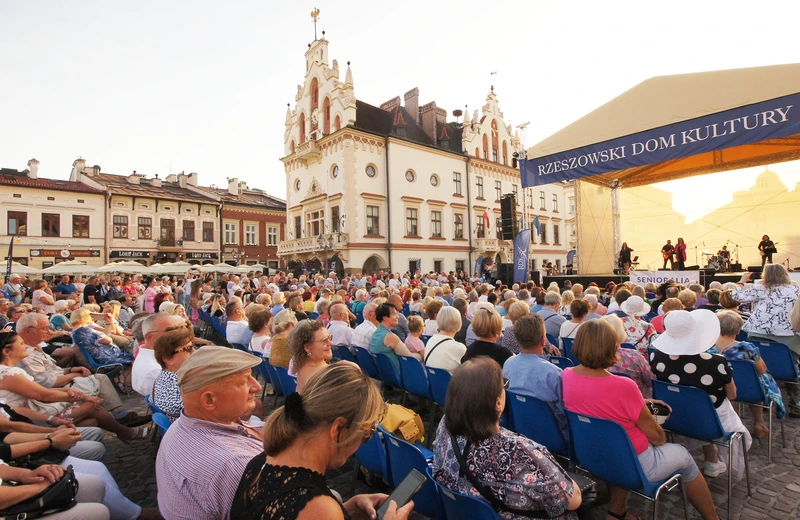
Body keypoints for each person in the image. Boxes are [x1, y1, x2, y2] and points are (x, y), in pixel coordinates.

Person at [563, 320, 720, 520]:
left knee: (620, 442)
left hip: (591, 454)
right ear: (613, 347)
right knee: (683, 455)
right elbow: (657, 437)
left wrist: (640, 401)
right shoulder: (624, 386)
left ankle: (616, 511)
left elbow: (596, 400)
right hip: (632, 463)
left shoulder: (567, 375)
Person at [231, 363, 412, 520]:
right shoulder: (317, 507)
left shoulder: (260, 462)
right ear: (338, 428)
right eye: (366, 433)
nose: (360, 444)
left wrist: (345, 510)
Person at [433, 357, 581, 518]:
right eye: (504, 385)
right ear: (498, 403)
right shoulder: (518, 450)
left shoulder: (445, 424)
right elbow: (572, 500)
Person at [156, 346, 263, 520]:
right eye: (244, 381)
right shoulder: (235, 465)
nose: (257, 387)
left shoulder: (182, 425)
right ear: (209, 400)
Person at [650, 310, 751, 480]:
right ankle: (712, 461)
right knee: (710, 406)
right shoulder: (716, 362)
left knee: (699, 404)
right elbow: (732, 395)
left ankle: (712, 460)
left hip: (676, 416)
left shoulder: (656, 357)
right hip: (710, 421)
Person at [0, 331, 150, 442]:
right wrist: (82, 396)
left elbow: (43, 392)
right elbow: (44, 395)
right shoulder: (8, 374)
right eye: (20, 344)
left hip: (31, 411)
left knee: (93, 421)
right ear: (7, 351)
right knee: (91, 406)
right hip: (29, 417)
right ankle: (124, 431)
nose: (24, 346)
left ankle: (120, 427)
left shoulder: (10, 372)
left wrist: (70, 389)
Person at [732, 265, 800, 415]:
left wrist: (742, 281)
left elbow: (735, 296)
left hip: (759, 331)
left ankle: (762, 399)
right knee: (791, 368)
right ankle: (796, 403)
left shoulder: (761, 288)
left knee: (758, 366)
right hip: (787, 333)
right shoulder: (795, 289)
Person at [709, 311, 785, 438]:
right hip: (749, 390)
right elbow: (761, 369)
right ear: (738, 331)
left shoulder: (708, 348)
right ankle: (759, 422)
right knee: (760, 379)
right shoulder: (746, 348)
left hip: (719, 388)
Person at [503, 314, 568, 438]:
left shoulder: (508, 365)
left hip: (520, 430)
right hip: (554, 436)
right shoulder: (553, 373)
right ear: (544, 341)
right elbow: (565, 412)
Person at [132, 314, 185, 396]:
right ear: (149, 337)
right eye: (170, 330)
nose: (176, 334)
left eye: (177, 328)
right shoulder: (155, 369)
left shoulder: (151, 356)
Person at [602, 315, 653, 398]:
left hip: (605, 399)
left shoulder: (593, 356)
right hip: (636, 400)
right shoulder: (634, 356)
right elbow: (650, 380)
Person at [152, 328, 195, 422]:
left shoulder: (167, 377)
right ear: (168, 359)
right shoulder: (176, 387)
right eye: (188, 349)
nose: (194, 351)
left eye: (192, 346)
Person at [369, 303, 420, 378]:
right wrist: (422, 355)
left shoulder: (375, 334)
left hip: (385, 375)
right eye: (394, 314)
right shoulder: (390, 337)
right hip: (398, 375)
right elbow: (410, 357)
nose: (397, 316)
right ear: (385, 318)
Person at [288, 320, 333, 393]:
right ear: (307, 348)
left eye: (330, 338)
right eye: (324, 340)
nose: (330, 343)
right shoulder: (323, 376)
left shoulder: (302, 365)